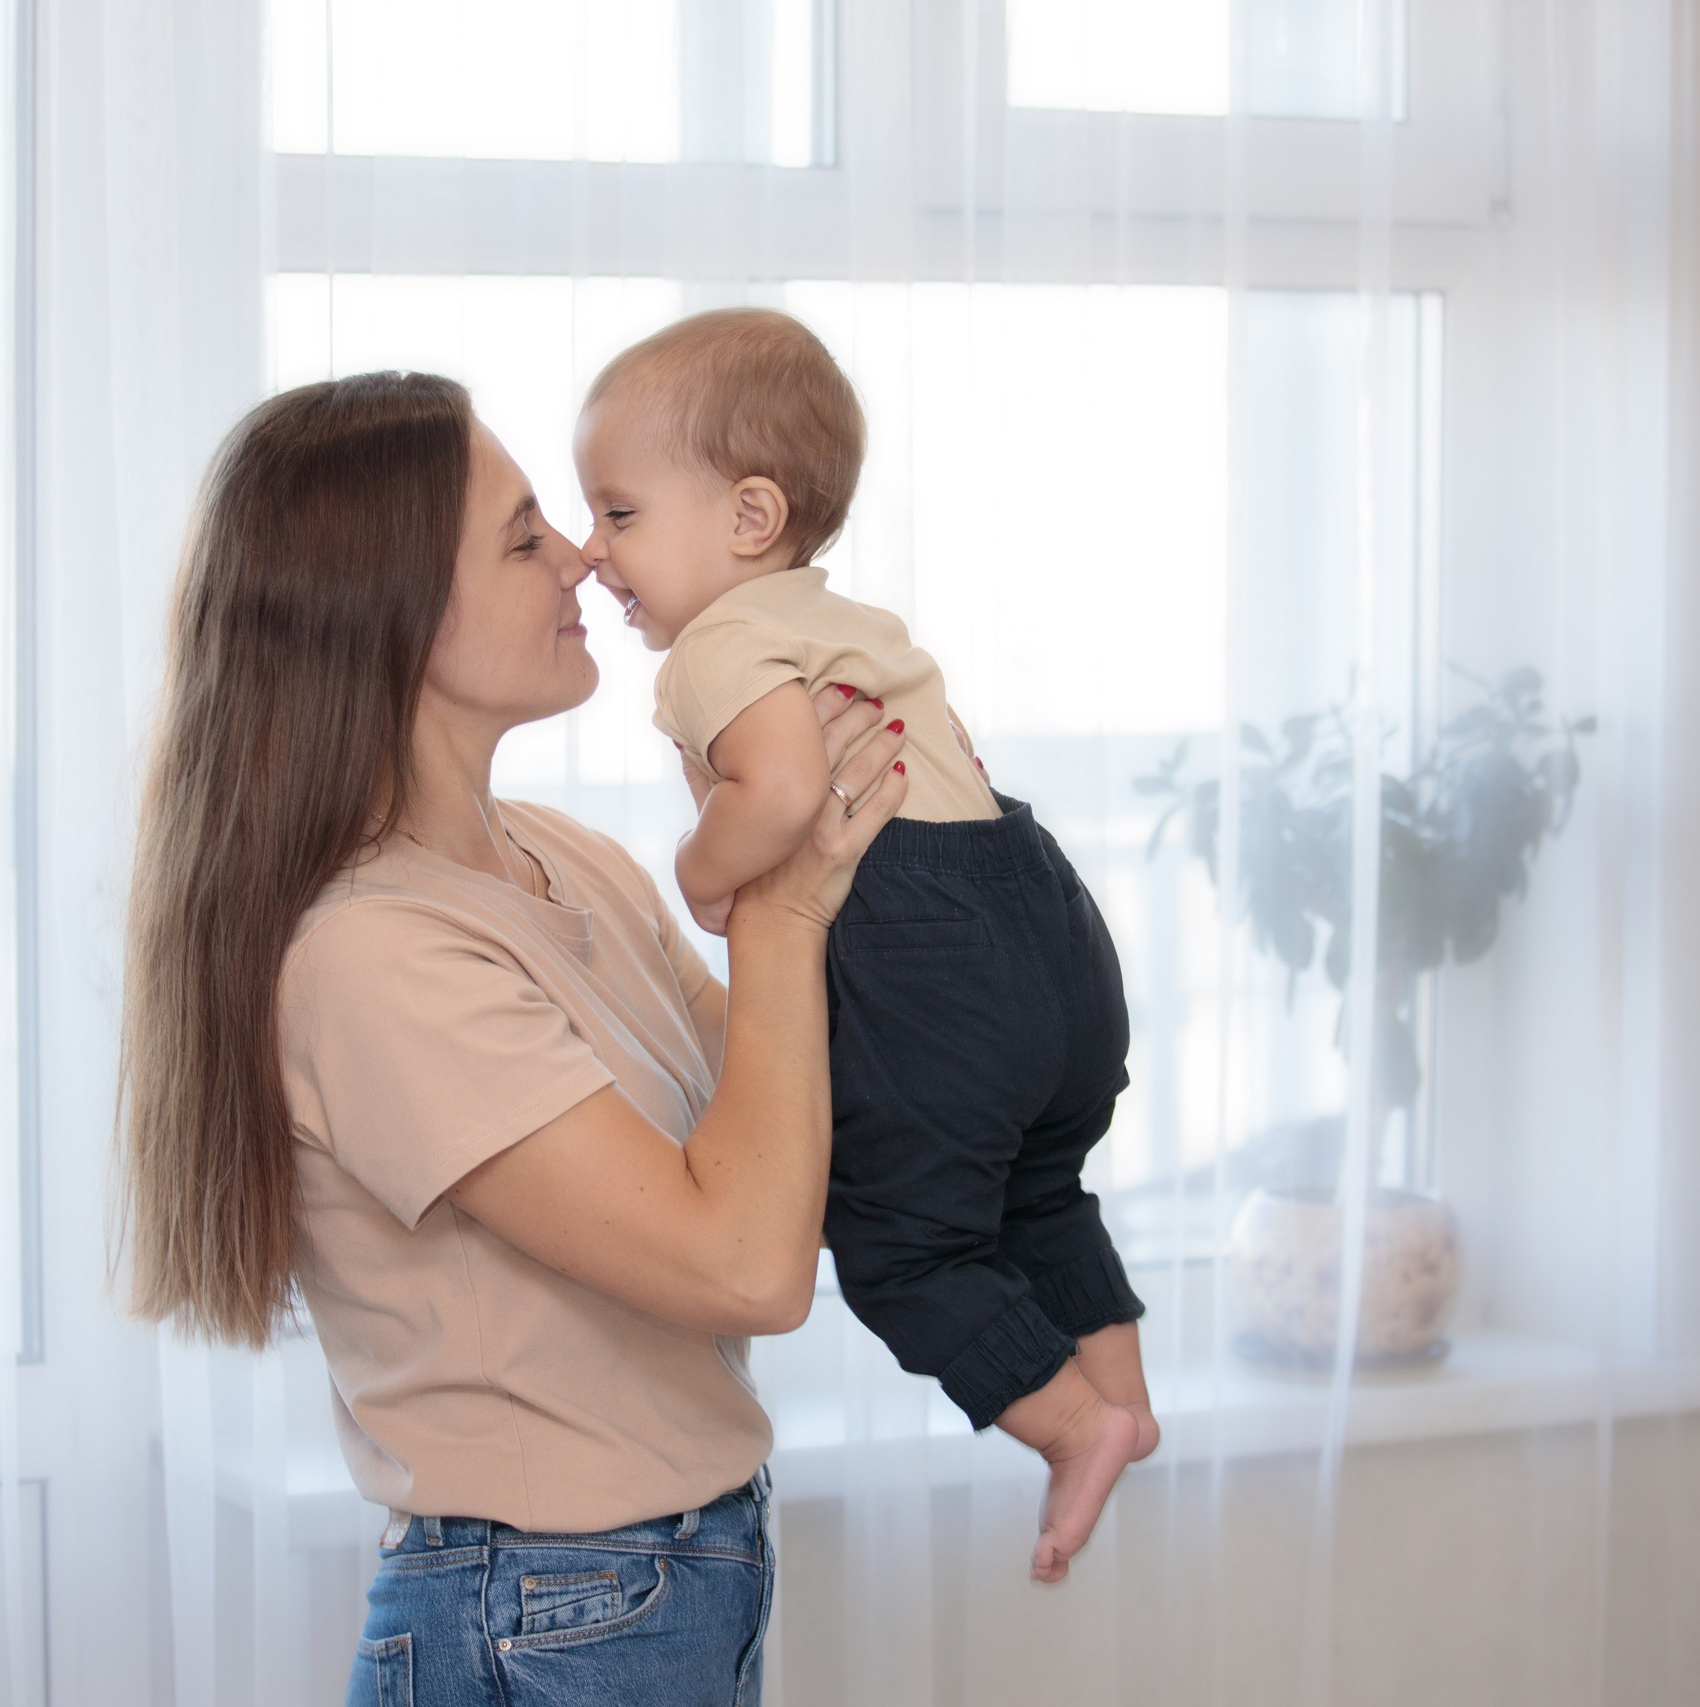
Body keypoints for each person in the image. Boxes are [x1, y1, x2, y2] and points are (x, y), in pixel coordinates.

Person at [114, 371, 908, 1707]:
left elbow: (795, 1153)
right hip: (554, 1599)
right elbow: (749, 1262)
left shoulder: (570, 861)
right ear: (397, 614)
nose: (584, 556)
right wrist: (777, 904)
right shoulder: (373, 955)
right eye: (526, 530)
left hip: (659, 1574)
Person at [574, 308, 1157, 1585]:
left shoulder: (716, 646)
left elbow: (782, 794)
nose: (590, 552)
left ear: (745, 517)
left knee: (902, 1244)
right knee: (1036, 1189)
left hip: (927, 940)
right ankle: (1123, 1390)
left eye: (617, 515)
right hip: (1043, 916)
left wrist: (700, 872)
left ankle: (1075, 1425)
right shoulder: (849, 622)